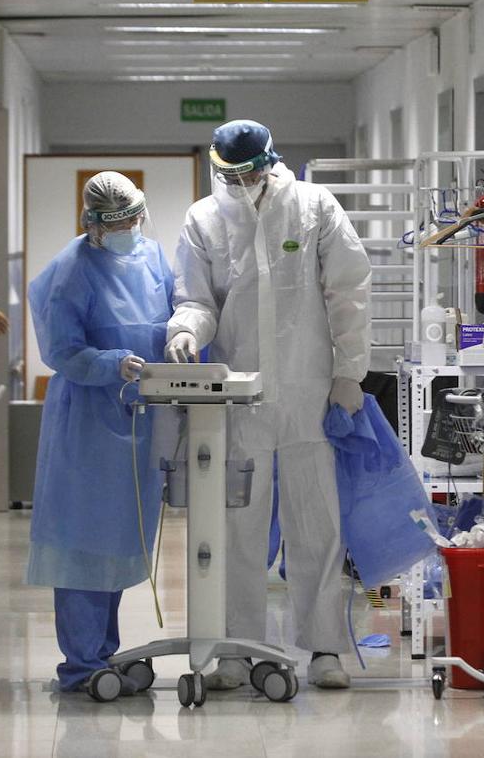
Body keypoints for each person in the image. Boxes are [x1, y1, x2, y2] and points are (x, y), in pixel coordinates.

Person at [166, 119, 372, 689]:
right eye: (230, 175)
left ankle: (325, 648)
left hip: (309, 390)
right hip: (241, 396)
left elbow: (348, 292)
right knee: (237, 527)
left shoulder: (313, 207)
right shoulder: (204, 218)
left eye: (249, 174)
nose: (241, 185)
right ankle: (235, 649)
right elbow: (197, 297)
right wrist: (185, 328)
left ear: (269, 162)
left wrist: (349, 372)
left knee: (317, 524)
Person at [26, 171, 174, 695]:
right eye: (120, 222)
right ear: (94, 224)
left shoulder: (153, 259)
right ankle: (82, 664)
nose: (131, 228)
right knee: (83, 544)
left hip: (138, 423)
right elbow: (62, 352)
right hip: (87, 425)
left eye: (135, 218)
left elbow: (175, 313)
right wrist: (114, 364)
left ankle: (103, 654)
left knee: (117, 541)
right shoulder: (69, 272)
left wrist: (183, 338)